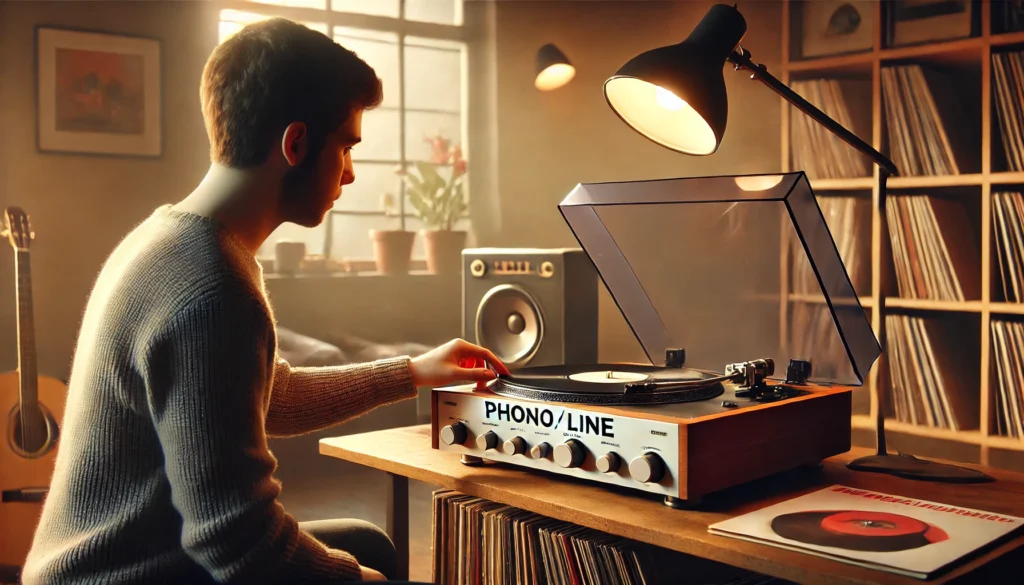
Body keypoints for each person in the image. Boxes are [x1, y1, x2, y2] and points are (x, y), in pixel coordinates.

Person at [21, 17, 509, 585]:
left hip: (128, 555)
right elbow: (238, 544)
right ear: (296, 144)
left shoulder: (168, 238)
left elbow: (266, 396)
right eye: (347, 146)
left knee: (367, 542)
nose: (350, 174)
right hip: (124, 574)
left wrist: (413, 371)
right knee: (369, 566)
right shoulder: (212, 290)